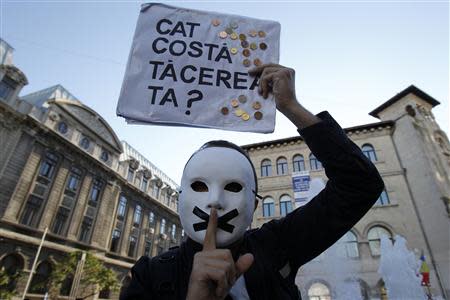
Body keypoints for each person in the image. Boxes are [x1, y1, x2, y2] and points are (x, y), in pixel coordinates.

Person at [120, 64, 384, 300]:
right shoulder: (149, 277)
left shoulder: (278, 246)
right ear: (180, 198)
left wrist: (291, 107)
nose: (214, 200)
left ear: (255, 205)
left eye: (233, 187)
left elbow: (360, 184)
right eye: (200, 186)